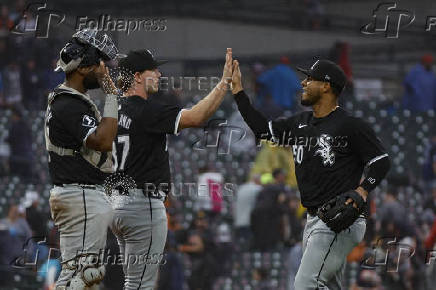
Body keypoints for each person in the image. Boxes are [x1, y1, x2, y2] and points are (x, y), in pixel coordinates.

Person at [231, 58, 390, 289]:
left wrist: (363, 190)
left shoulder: (351, 125)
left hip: (339, 218)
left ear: (326, 86)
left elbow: (381, 161)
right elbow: (263, 130)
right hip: (314, 218)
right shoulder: (300, 123)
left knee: (305, 284)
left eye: (309, 79)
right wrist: (238, 93)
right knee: (328, 284)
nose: (303, 83)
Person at [110, 48, 233, 289]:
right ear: (136, 76)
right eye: (152, 69)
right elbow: (197, 117)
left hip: (118, 204)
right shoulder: (146, 109)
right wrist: (224, 83)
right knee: (141, 284)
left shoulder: (115, 108)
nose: (158, 73)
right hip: (142, 203)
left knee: (132, 281)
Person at [44, 28, 119, 289]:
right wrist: (111, 94)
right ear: (84, 67)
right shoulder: (69, 103)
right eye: (99, 63)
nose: (103, 69)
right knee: (86, 276)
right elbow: (103, 140)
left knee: (76, 275)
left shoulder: (66, 100)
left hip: (76, 195)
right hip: (82, 196)